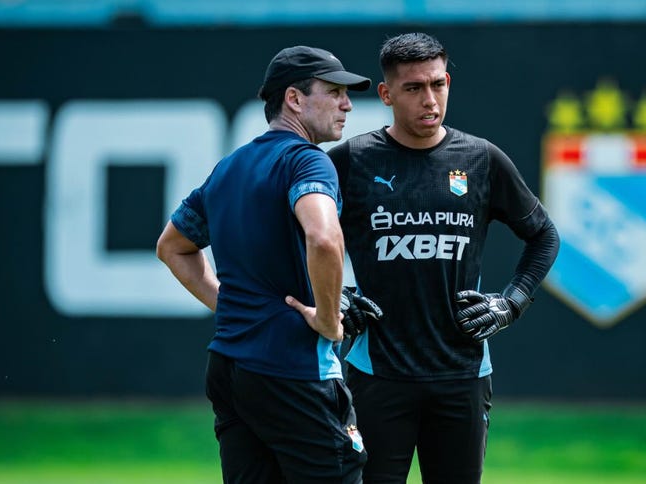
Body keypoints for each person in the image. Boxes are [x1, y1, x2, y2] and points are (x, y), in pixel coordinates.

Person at [326, 33, 561, 483]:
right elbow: (291, 239)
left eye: (438, 84)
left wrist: (511, 302)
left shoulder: (481, 159)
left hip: (462, 375)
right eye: (414, 88)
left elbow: (544, 236)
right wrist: (332, 293)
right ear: (386, 93)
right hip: (377, 374)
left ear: (449, 82)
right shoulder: (350, 162)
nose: (429, 99)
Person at [155, 45, 375, 483]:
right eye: (333, 92)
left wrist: (229, 305)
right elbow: (325, 237)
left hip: (230, 368)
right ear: (294, 99)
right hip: (293, 369)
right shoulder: (306, 160)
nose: (347, 104)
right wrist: (331, 319)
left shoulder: (229, 167)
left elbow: (172, 246)